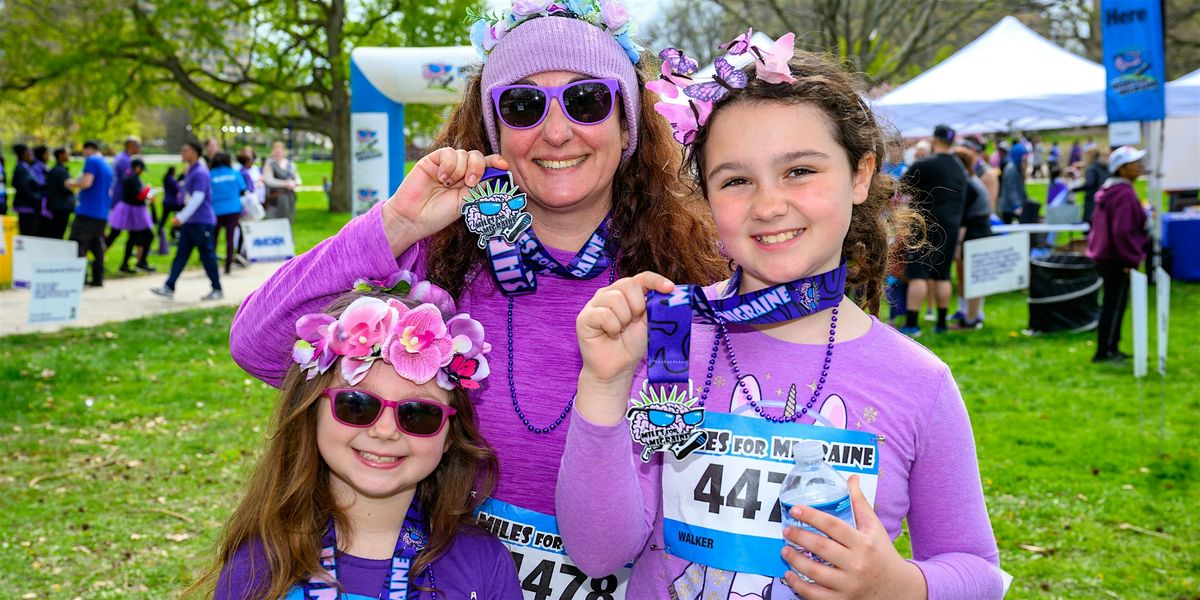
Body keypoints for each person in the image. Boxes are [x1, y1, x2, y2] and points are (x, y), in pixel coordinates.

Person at [229, 0, 725, 590]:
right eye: (523, 106)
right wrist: (397, 225)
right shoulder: (439, 266)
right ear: (495, 132)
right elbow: (260, 345)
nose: (556, 132)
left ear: (627, 127)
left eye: (587, 101)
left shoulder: (683, 281)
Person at [559, 39, 1003, 599]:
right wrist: (603, 384)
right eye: (736, 180)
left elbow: (978, 570)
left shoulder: (918, 381)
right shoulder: (670, 336)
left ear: (860, 174)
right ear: (706, 196)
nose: (768, 205)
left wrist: (896, 585)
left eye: (799, 171)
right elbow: (599, 552)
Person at [186, 282, 521, 599]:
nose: (385, 431)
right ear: (311, 413)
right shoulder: (258, 565)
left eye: (419, 413)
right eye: (356, 405)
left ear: (449, 435)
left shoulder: (483, 564)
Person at [900, 124, 968, 336]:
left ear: (934, 140)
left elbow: (902, 187)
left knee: (918, 273)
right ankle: (941, 323)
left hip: (926, 225)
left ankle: (912, 324)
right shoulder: (960, 168)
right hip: (952, 226)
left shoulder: (925, 164)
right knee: (943, 275)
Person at [1086, 146, 1149, 364]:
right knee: (1114, 304)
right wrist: (1130, 258)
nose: (1139, 166)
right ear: (1122, 169)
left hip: (1107, 255)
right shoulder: (1123, 194)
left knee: (1113, 303)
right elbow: (1122, 231)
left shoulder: (1112, 191)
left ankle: (1110, 347)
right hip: (1116, 257)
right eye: (1134, 163)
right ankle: (1105, 351)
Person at [151, 140, 223, 300]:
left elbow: (198, 197)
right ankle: (169, 286)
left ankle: (217, 288)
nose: (182, 153)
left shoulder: (200, 172)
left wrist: (181, 216)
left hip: (201, 221)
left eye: (186, 150)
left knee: (207, 255)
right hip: (191, 222)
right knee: (181, 254)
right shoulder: (191, 170)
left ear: (195, 153)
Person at [953, 146, 994, 329]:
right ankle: (970, 313)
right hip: (981, 230)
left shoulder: (967, 183)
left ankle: (971, 319)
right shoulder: (973, 179)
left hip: (975, 233)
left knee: (973, 277)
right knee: (973, 276)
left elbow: (964, 217)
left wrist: (958, 244)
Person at [66, 141, 114, 287]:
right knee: (96, 244)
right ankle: (98, 278)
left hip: (88, 211)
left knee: (77, 243)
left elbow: (87, 182)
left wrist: (71, 184)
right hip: (102, 213)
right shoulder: (107, 165)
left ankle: (79, 277)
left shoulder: (92, 160)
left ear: (89, 149)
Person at [208, 151, 247, 274]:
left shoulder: (210, 174)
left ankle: (211, 265)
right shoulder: (234, 173)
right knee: (229, 238)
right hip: (233, 209)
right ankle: (228, 266)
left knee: (214, 237)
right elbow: (243, 190)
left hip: (216, 209)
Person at [115, 158, 155, 273]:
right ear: (137, 168)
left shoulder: (129, 177)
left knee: (132, 238)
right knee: (148, 235)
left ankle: (126, 264)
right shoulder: (133, 179)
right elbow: (138, 195)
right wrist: (148, 190)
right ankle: (141, 262)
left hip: (133, 211)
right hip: (136, 213)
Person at [106, 135, 142, 249]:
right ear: (131, 146)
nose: (140, 148)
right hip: (121, 199)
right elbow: (128, 181)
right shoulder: (125, 160)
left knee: (124, 229)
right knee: (117, 229)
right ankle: (100, 251)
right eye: (138, 145)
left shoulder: (122, 157)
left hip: (120, 197)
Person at [40, 148, 75, 239]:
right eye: (66, 153)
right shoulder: (61, 171)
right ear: (61, 155)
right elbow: (65, 188)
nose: (68, 155)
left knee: (55, 232)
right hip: (61, 207)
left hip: (55, 205)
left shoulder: (55, 169)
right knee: (58, 233)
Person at [263, 141, 300, 222]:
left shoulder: (290, 164)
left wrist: (294, 183)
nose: (278, 153)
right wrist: (285, 183)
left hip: (289, 198)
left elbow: (298, 179)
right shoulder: (269, 164)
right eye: (276, 150)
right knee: (274, 222)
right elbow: (269, 181)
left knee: (288, 221)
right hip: (275, 198)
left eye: (280, 150)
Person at [11, 144, 42, 235]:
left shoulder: (26, 167)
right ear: (23, 155)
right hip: (26, 206)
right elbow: (23, 188)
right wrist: (37, 197)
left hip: (30, 205)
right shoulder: (21, 169)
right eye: (28, 152)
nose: (31, 154)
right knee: (27, 231)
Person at [999, 142, 1028, 224]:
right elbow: (1011, 189)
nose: (1025, 158)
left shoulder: (1017, 167)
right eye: (1023, 155)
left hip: (1014, 205)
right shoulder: (1011, 169)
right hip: (1008, 207)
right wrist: (1017, 205)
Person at [1080, 147, 1109, 224]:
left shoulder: (1092, 168)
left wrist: (1073, 188)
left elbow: (1089, 183)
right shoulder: (1105, 166)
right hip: (1104, 201)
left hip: (1092, 202)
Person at [158, 166, 183, 252]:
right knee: (179, 216)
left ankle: (160, 230)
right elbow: (177, 188)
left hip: (166, 202)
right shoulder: (171, 180)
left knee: (164, 218)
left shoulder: (166, 179)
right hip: (172, 203)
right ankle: (175, 231)